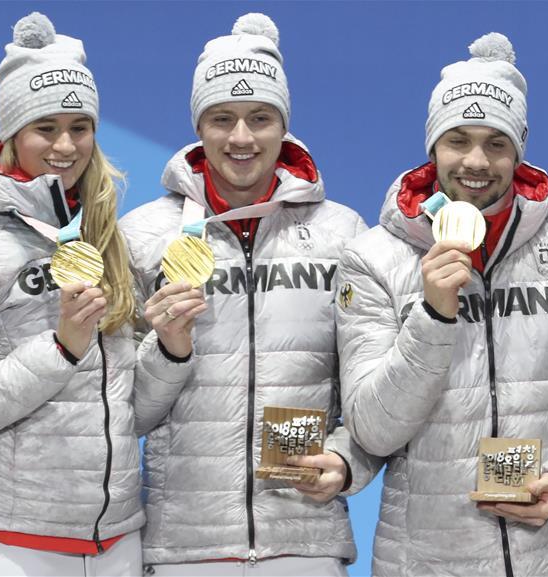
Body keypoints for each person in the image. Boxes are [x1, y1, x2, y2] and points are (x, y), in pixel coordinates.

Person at [335, 32, 548, 577]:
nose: (476, 161)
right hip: (425, 563)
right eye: (458, 140)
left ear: (520, 149)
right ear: (432, 146)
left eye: (496, 143)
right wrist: (434, 315)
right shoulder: (373, 258)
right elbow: (372, 429)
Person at [120, 13, 381, 576]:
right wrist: (167, 350)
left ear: (283, 124)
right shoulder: (141, 236)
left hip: (305, 542)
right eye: (222, 118)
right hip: (185, 548)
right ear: (199, 125)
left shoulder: (343, 233)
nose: (241, 138)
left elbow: (372, 393)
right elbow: (121, 415)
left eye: (260, 118)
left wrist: (346, 461)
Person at [0, 12, 143, 577]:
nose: (66, 145)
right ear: (12, 134)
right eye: (45, 128)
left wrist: (170, 350)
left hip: (112, 544)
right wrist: (60, 348)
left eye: (80, 127)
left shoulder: (101, 236)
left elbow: (124, 410)